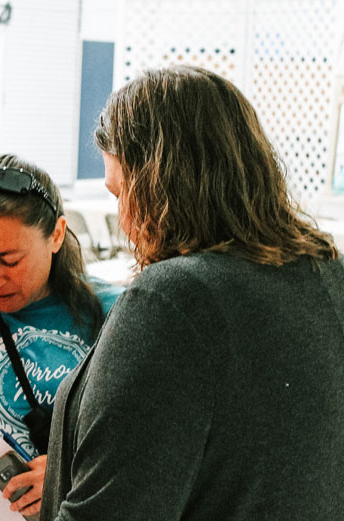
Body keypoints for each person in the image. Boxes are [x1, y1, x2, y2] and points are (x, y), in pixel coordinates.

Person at [41, 64, 344, 521]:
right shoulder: (329, 277)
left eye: (122, 193)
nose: (123, 220)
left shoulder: (173, 301)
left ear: (161, 183)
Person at [0, 153, 124, 518]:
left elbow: (150, 442)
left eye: (10, 260)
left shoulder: (114, 314)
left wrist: (67, 476)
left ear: (56, 234)